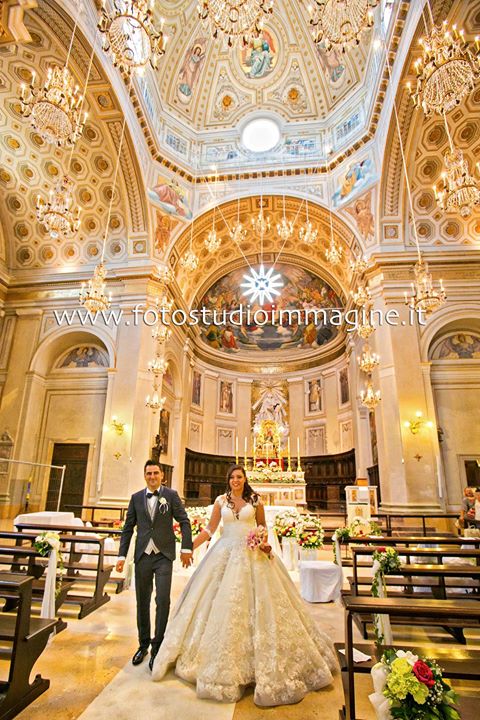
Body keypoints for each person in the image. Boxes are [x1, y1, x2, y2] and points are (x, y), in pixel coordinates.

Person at [152, 465, 336, 706]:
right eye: (232, 477)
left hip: (253, 555)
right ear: (227, 480)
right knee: (220, 603)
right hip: (224, 553)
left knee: (263, 606)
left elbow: (262, 528)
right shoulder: (220, 501)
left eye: (239, 477)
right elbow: (209, 530)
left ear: (245, 479)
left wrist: (263, 542)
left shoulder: (255, 500)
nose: (235, 480)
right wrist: (189, 548)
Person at [116, 460, 193, 670]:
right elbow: (127, 528)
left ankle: (157, 644)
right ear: (144, 476)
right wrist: (121, 555)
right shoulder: (135, 499)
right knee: (142, 601)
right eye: (148, 473)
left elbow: (184, 521)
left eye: (155, 473)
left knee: (162, 600)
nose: (152, 476)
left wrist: (186, 548)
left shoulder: (171, 496)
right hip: (142, 556)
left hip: (163, 556)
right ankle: (143, 645)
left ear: (162, 476)